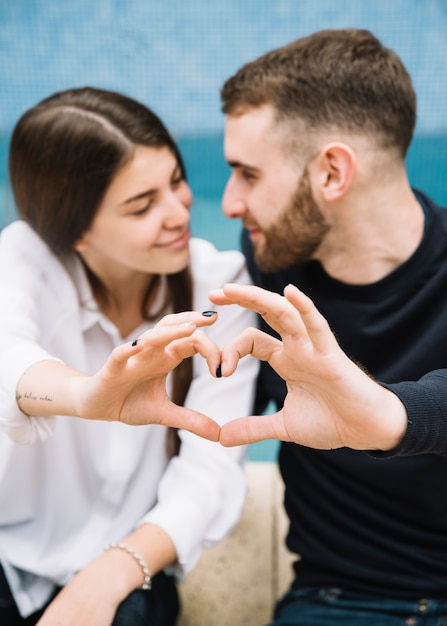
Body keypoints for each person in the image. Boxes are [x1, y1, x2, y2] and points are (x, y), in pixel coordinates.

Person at [208, 28, 447, 625]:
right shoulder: (268, 260)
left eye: (249, 174)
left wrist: (385, 414)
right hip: (337, 601)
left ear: (333, 173)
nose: (231, 203)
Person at [0, 87, 258, 626]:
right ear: (75, 232)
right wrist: (87, 395)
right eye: (142, 205)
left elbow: (211, 467)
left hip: (131, 564)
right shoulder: (24, 259)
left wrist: (111, 574)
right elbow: (7, 353)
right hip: (12, 559)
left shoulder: (219, 286)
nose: (178, 213)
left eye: (176, 182)